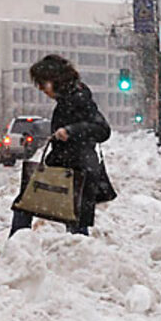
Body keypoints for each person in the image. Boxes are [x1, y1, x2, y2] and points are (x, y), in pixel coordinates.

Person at [10, 54, 111, 237]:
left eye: (43, 83)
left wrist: (70, 131)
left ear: (56, 80)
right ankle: (20, 245)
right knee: (70, 222)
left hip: (77, 169)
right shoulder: (69, 98)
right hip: (71, 167)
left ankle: (17, 245)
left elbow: (102, 130)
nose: (41, 89)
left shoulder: (78, 99)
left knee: (27, 205)